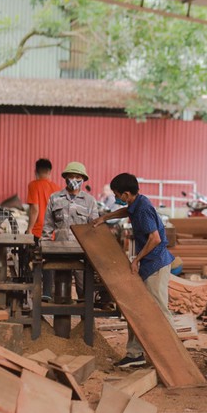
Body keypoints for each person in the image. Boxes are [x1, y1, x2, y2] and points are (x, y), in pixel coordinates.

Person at [93, 173, 174, 368]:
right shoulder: (136, 203)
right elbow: (126, 211)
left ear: (126, 194)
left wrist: (136, 259)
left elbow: (155, 238)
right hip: (148, 264)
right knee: (137, 308)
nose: (116, 198)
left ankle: (173, 355)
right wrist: (106, 217)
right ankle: (135, 353)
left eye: (117, 195)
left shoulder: (143, 209)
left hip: (155, 264)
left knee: (159, 310)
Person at [42, 161, 98, 300]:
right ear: (65, 177)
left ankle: (85, 312)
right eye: (71, 176)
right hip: (59, 250)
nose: (74, 180)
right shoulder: (55, 198)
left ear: (83, 179)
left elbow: (94, 228)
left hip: (81, 252)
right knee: (57, 292)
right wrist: (45, 246)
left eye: (77, 177)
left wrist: (92, 250)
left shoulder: (89, 201)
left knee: (84, 293)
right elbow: (48, 225)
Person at [26, 158, 62, 301]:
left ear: (36, 171)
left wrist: (29, 229)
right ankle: (47, 292)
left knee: (30, 258)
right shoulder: (57, 188)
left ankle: (30, 290)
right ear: (50, 171)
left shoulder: (33, 185)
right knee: (49, 260)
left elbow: (35, 208)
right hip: (53, 231)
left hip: (38, 230)